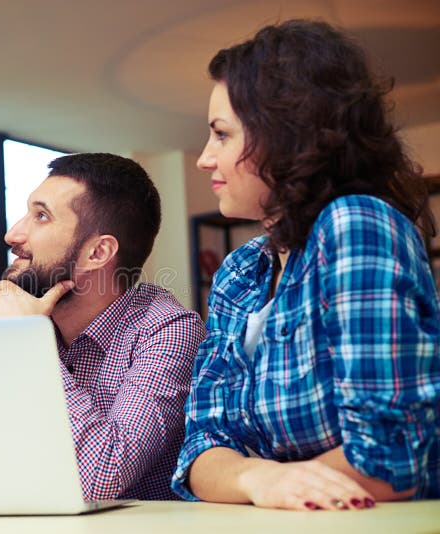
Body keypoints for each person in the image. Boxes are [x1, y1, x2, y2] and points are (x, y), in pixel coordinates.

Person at [170, 19, 440, 510]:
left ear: (285, 134)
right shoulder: (239, 272)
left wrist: (255, 477)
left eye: (221, 135)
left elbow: (386, 462)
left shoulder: (355, 224)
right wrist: (256, 479)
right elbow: (199, 452)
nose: (205, 159)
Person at [0, 152, 205, 500]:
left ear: (97, 253)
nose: (12, 234)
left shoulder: (168, 329)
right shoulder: (15, 316)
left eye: (41, 216)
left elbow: (100, 477)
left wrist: (30, 348)